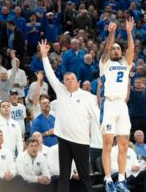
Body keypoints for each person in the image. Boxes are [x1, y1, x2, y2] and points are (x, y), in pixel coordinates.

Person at [39, 39, 99, 192]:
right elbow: (50, 74)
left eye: (72, 79)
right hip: (64, 140)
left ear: (78, 82)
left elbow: (98, 118)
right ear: (63, 82)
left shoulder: (88, 97)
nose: (69, 81)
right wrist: (45, 55)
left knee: (85, 176)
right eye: (67, 79)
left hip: (82, 141)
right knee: (64, 176)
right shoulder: (60, 90)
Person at [99, 18, 135, 192]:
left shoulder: (125, 64)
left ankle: (121, 179)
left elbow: (132, 50)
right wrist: (111, 33)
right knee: (107, 144)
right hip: (110, 105)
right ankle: (107, 179)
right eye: (113, 48)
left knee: (124, 144)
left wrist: (129, 32)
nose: (115, 50)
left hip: (122, 106)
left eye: (117, 48)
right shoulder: (104, 64)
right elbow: (106, 48)